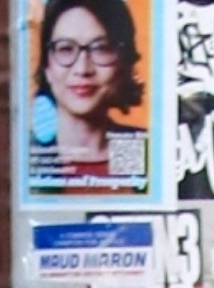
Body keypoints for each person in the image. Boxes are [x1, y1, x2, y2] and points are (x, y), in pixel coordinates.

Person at [27, 0, 147, 190]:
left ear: (123, 62)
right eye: (65, 49)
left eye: (101, 48)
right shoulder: (26, 156)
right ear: (46, 67)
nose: (83, 69)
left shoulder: (141, 150)